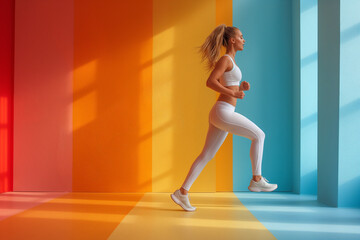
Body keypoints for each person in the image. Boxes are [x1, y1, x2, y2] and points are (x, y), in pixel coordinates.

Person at [170, 24, 278, 212]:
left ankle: (182, 193)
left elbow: (226, 84)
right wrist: (233, 93)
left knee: (207, 155)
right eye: (241, 37)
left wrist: (239, 88)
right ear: (232, 40)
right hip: (223, 111)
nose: (244, 40)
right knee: (259, 135)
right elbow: (210, 82)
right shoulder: (226, 59)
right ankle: (256, 180)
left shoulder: (231, 61)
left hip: (222, 111)